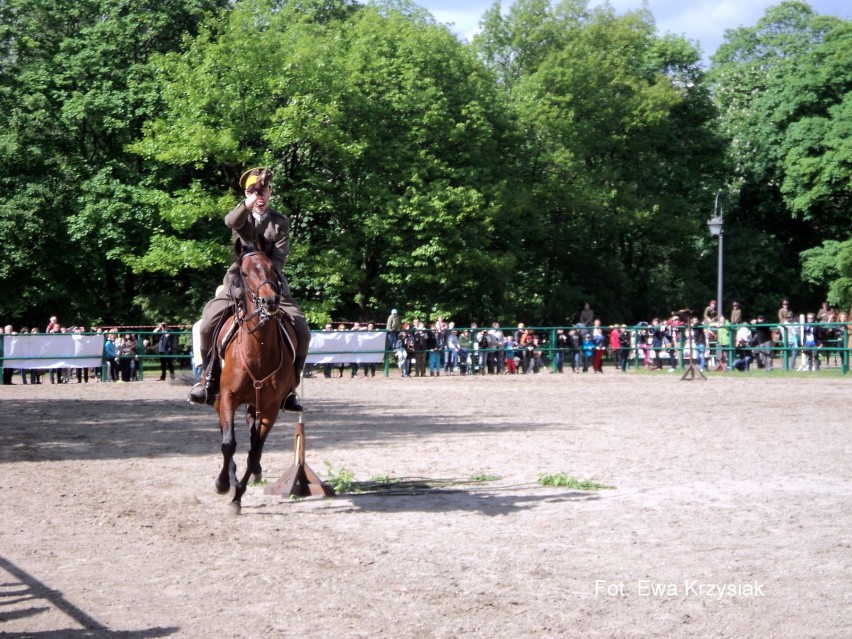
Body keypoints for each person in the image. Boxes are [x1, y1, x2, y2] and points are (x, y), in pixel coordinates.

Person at [189, 167, 310, 411]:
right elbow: (231, 221)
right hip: (238, 283)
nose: (260, 194)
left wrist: (263, 272)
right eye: (254, 191)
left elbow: (280, 257)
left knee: (303, 330)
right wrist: (248, 202)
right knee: (208, 323)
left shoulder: (280, 222)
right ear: (247, 194)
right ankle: (208, 379)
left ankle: (290, 389)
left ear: (271, 192)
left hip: (270, 283)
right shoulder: (241, 217)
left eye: (264, 189)